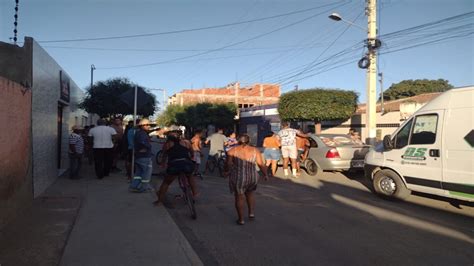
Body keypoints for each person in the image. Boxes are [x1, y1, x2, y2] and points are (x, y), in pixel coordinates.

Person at [224, 134, 268, 225]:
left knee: (239, 196)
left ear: (238, 141)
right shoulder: (255, 150)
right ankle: (251, 213)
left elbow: (228, 164)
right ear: (248, 141)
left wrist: (227, 171)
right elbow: (261, 164)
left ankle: (241, 219)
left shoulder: (232, 151)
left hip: (239, 177)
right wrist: (265, 174)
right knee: (250, 193)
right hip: (252, 177)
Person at [154, 130, 198, 205]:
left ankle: (159, 201)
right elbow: (192, 152)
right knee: (190, 176)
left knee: (166, 183)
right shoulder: (186, 142)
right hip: (186, 163)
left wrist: (163, 164)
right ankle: (195, 194)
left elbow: (164, 156)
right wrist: (191, 157)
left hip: (174, 165)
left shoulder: (167, 144)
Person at [131, 119, 154, 192]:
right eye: (146, 125)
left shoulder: (139, 133)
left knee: (139, 173)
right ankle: (144, 187)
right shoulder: (142, 134)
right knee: (146, 173)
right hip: (144, 156)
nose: (148, 126)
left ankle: (134, 186)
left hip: (139, 156)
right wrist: (148, 147)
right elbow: (143, 142)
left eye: (148, 124)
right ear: (141, 126)